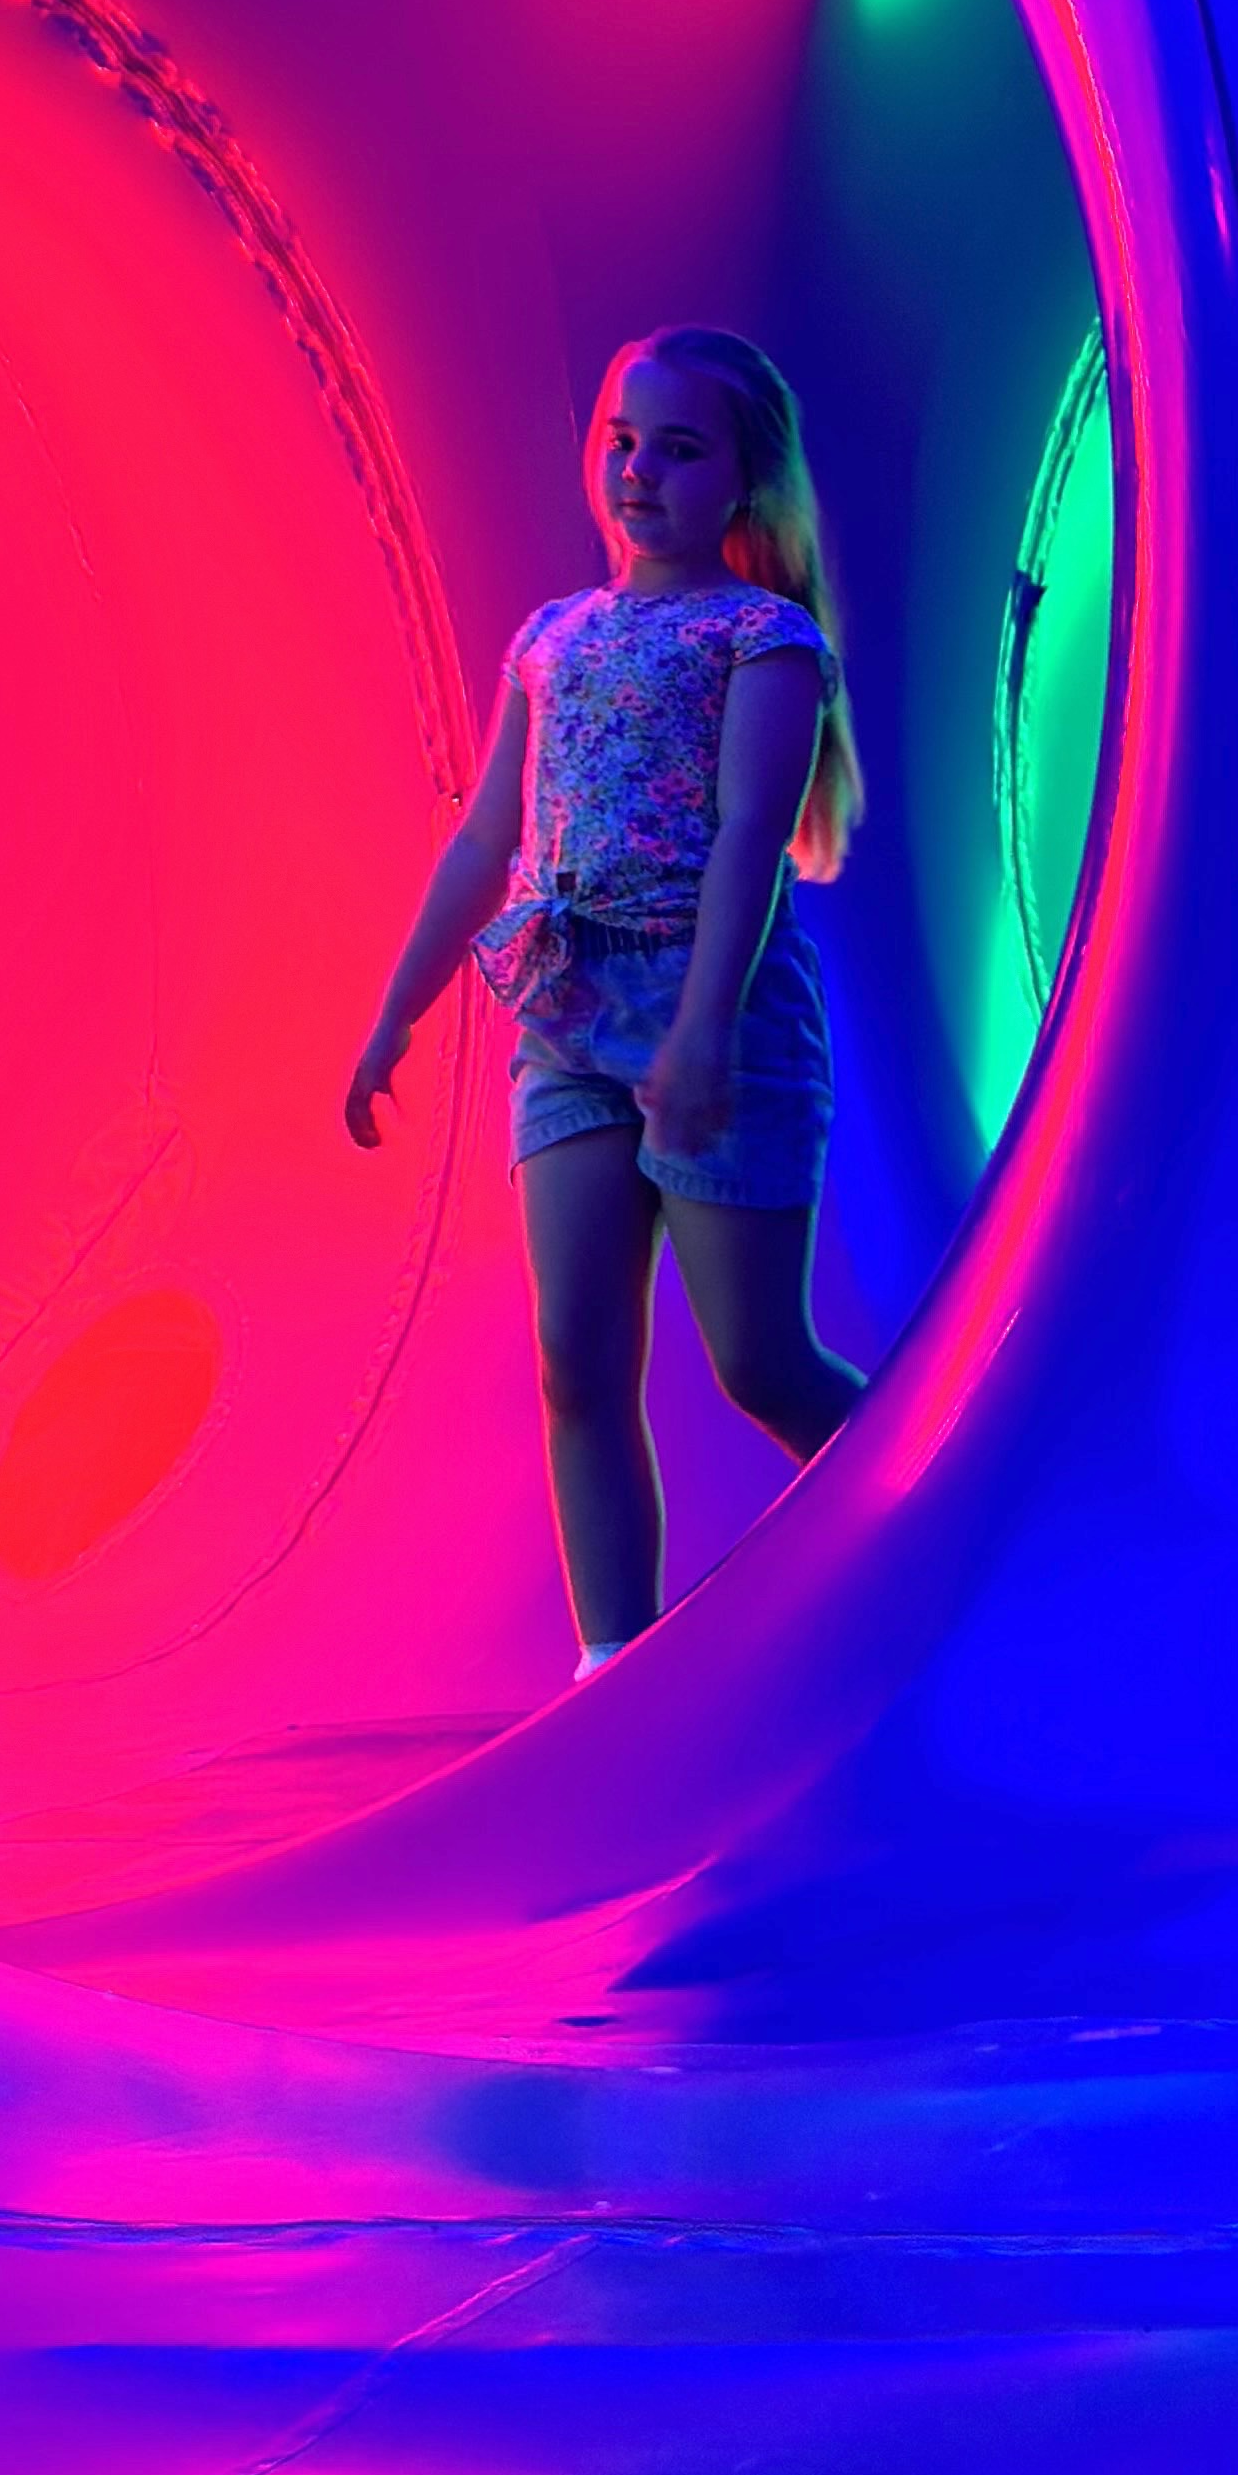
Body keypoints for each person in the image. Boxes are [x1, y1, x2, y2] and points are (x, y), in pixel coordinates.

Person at [342, 330, 872, 1658]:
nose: (639, 470)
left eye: (680, 449)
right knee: (575, 1362)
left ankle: (937, 1518)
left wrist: (700, 1030)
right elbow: (484, 840)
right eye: (623, 441)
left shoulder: (763, 637)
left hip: (716, 1005)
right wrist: (398, 1007)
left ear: (745, 482)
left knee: (761, 1363)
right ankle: (611, 1666)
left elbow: (750, 834)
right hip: (567, 1018)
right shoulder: (552, 637)